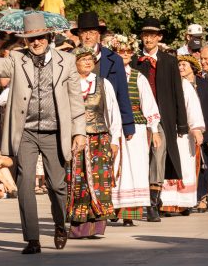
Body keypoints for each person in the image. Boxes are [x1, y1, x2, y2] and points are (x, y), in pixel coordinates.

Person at [0, 12, 86, 254]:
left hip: (55, 131)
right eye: (31, 39)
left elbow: (76, 100)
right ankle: (32, 238)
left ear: (49, 36)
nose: (36, 42)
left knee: (56, 185)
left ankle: (60, 223)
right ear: (24, 41)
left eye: (40, 37)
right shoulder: (16, 58)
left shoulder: (66, 61)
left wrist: (79, 132)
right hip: (26, 131)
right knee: (24, 184)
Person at [65, 47, 121, 239]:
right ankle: (78, 227)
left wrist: (115, 139)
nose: (88, 62)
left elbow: (113, 112)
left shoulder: (103, 84)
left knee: (99, 182)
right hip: (76, 139)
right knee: (77, 182)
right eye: (83, 59)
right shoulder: (68, 84)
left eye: (90, 59)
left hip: (99, 137)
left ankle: (96, 226)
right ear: (75, 63)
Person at [136, 18, 187, 221]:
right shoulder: (133, 60)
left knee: (158, 156)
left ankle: (153, 201)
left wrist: (181, 123)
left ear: (159, 37)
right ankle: (140, 199)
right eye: (145, 35)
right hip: (140, 118)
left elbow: (178, 93)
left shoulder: (169, 61)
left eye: (152, 35)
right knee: (140, 158)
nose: (148, 39)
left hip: (163, 118)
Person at [111, 35, 158, 225]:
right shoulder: (109, 76)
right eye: (121, 51)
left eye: (128, 51)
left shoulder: (138, 77)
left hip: (136, 128)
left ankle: (130, 213)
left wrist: (154, 130)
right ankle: (113, 208)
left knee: (135, 169)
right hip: (113, 127)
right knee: (115, 168)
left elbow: (149, 104)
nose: (125, 54)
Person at [158, 55, 208, 215]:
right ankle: (165, 204)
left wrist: (196, 128)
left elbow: (193, 107)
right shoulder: (164, 85)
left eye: (182, 65)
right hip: (166, 131)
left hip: (183, 134)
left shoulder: (185, 85)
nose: (179, 68)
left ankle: (183, 204)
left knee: (185, 166)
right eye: (177, 65)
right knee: (167, 165)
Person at [73, 11, 135, 139]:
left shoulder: (114, 59)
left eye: (92, 32)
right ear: (78, 35)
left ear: (98, 34)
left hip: (107, 120)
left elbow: (122, 93)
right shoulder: (69, 57)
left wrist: (128, 124)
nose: (88, 37)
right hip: (75, 122)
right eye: (84, 32)